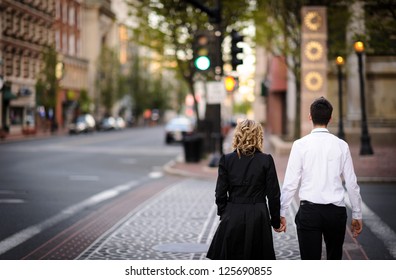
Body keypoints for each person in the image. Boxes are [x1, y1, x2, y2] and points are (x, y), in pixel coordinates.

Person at [280, 97, 363, 260]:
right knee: (334, 259)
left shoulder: (300, 145)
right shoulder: (341, 145)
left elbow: (290, 183)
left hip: (309, 211)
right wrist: (357, 214)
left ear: (310, 116)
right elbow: (352, 183)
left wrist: (282, 212)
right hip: (336, 213)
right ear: (330, 119)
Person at [206, 119, 285, 260]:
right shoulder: (266, 160)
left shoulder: (227, 160)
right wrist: (275, 221)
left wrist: (225, 214)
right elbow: (273, 195)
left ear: (237, 135)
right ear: (258, 136)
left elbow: (220, 194)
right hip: (259, 215)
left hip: (233, 213)